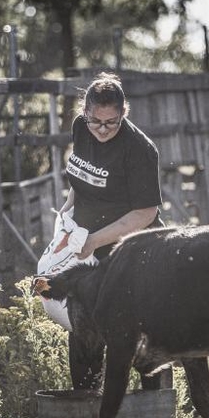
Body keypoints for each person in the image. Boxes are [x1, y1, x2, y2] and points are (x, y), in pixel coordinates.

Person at [57, 71, 167, 389]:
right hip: (86, 246)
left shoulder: (140, 149)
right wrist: (67, 211)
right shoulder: (81, 128)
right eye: (96, 121)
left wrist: (94, 240)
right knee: (83, 330)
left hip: (134, 254)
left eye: (112, 122)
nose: (102, 129)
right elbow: (82, 174)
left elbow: (146, 213)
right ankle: (88, 415)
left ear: (124, 113)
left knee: (144, 342)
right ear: (85, 113)